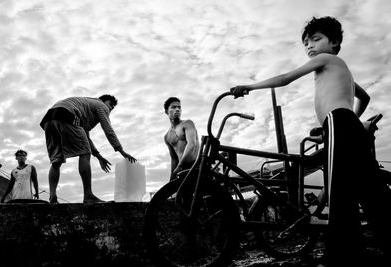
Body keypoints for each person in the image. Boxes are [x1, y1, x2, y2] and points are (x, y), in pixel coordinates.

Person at [231, 16, 391, 266]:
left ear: (335, 41)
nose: (310, 47)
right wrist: (350, 121)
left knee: (339, 191)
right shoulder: (342, 69)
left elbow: (285, 78)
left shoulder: (326, 59)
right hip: (345, 126)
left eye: (316, 39)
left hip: (339, 123)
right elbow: (366, 97)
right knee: (369, 190)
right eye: (306, 43)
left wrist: (249, 86)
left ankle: (343, 255)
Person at [40, 94, 137, 204]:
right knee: (85, 153)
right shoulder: (100, 105)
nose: (110, 109)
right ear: (103, 101)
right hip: (68, 114)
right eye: (110, 105)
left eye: (112, 108)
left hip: (49, 119)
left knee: (56, 160)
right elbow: (108, 129)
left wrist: (99, 156)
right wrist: (121, 151)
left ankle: (52, 197)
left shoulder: (85, 106)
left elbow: (85, 137)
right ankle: (88, 196)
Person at [164, 97, 199, 180]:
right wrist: (172, 177)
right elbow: (174, 158)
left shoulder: (188, 124)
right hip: (182, 169)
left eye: (179, 107)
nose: (177, 109)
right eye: (173, 107)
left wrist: (180, 165)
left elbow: (191, 144)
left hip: (195, 166)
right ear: (166, 111)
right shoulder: (167, 136)